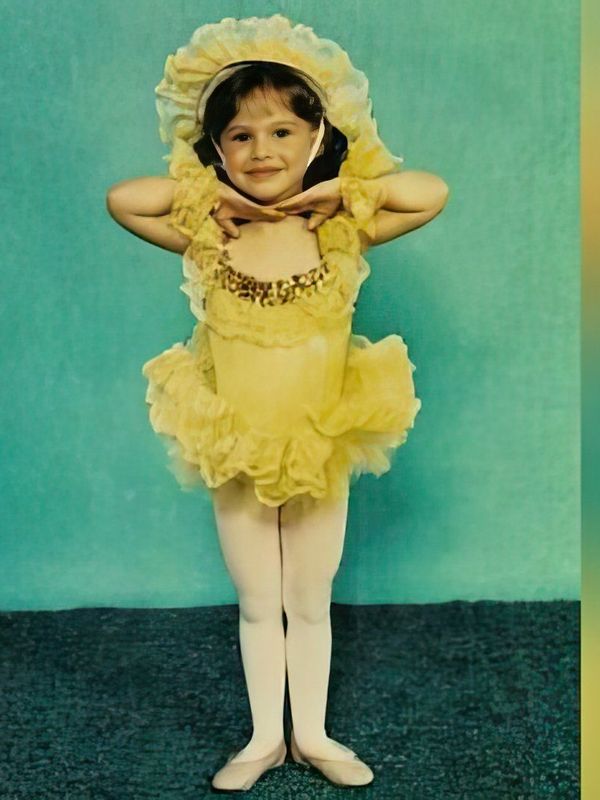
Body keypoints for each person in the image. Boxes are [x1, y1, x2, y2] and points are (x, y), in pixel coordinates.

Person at [106, 14, 449, 791]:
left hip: (320, 441)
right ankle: (264, 739)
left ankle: (314, 734)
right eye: (240, 136)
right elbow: (125, 199)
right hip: (238, 446)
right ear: (217, 149)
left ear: (317, 135)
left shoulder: (340, 230)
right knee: (259, 600)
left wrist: (343, 188)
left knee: (310, 597)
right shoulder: (210, 236)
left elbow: (430, 193)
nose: (262, 150)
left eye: (283, 131)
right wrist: (208, 195)